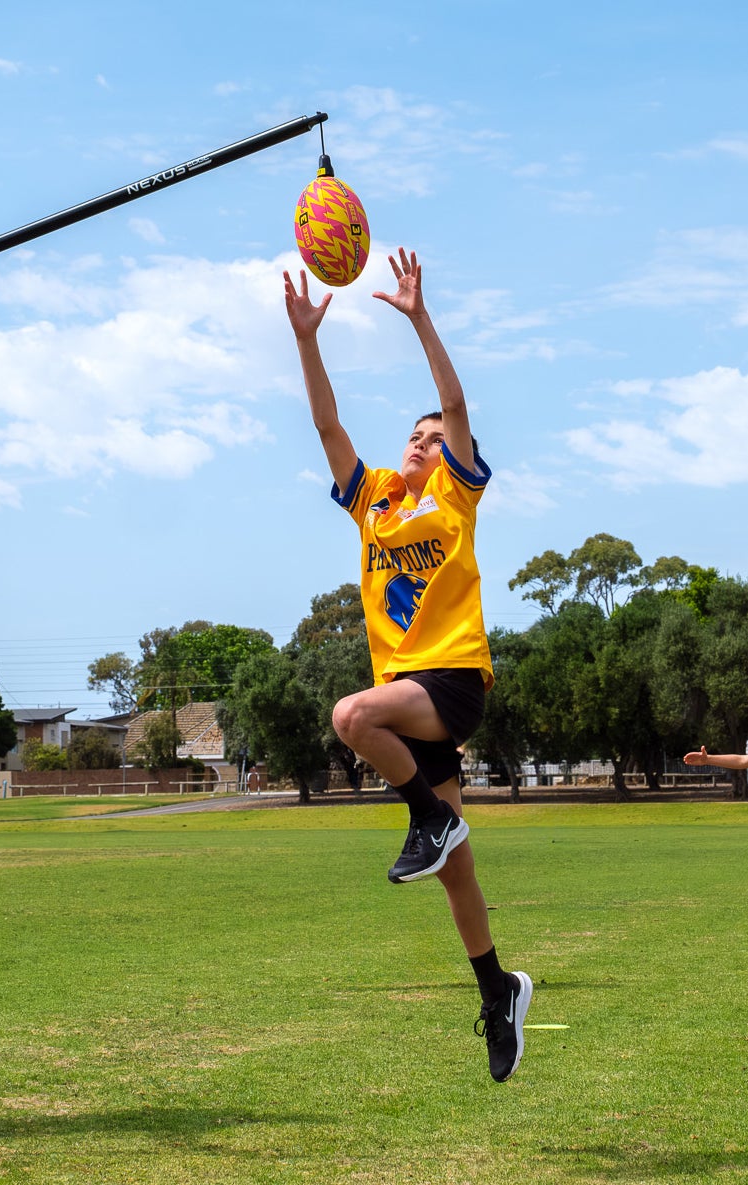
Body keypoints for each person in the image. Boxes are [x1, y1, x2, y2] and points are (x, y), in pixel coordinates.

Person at [284, 250, 532, 1083]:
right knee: (457, 875)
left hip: (451, 678)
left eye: (434, 437)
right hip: (409, 694)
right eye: (415, 435)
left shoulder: (454, 494)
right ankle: (498, 989)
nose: (424, 442)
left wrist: (418, 317)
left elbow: (456, 400)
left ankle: (427, 817)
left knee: (349, 716)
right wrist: (305, 339)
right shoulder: (378, 500)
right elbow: (326, 429)